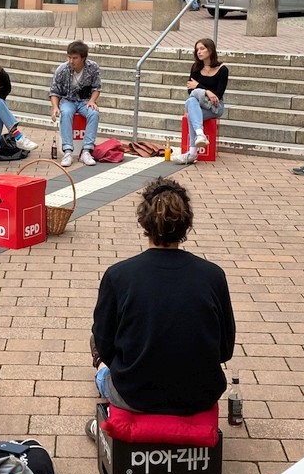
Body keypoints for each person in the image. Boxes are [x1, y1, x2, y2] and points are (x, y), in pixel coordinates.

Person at [87, 178, 235, 435]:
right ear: (186, 224)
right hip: (199, 394)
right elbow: (225, 349)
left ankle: (102, 380)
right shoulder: (213, 276)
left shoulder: (118, 275)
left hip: (134, 394)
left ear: (144, 222)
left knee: (99, 350)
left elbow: (105, 342)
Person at [49, 40, 102, 167]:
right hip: (68, 100)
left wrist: (92, 101)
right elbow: (54, 92)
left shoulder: (93, 67)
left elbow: (97, 88)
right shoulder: (62, 69)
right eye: (69, 57)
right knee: (66, 112)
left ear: (83, 58)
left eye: (75, 58)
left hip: (85, 101)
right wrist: (55, 107)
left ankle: (86, 150)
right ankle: (67, 150)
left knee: (94, 113)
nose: (71, 61)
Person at [174, 38, 227, 165]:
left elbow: (218, 95)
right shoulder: (196, 68)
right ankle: (199, 134)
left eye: (202, 48)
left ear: (210, 50)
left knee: (192, 111)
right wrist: (207, 92)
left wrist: (199, 87)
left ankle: (192, 153)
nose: (199, 52)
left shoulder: (222, 69)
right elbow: (190, 91)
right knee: (191, 100)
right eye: (197, 49)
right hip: (198, 105)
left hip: (215, 107)